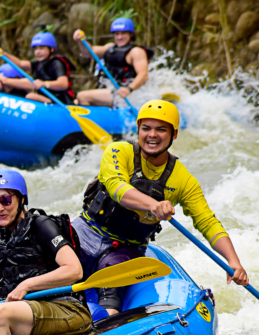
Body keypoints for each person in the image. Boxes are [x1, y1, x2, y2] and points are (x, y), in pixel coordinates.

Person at [72, 99, 249, 314]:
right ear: (138, 129)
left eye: (161, 130)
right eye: (146, 128)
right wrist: (154, 205)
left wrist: (233, 261)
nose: (152, 135)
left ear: (174, 134)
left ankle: (106, 331)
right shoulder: (119, 151)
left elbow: (207, 222)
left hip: (126, 247)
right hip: (86, 231)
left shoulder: (182, 179)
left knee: (110, 291)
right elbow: (117, 188)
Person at [0, 170, 92, 335]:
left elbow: (74, 271)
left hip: (66, 309)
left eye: (5, 200)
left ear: (21, 199)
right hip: (23, 315)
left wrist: (26, 285)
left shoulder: (41, 225)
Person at [73, 17, 153, 107]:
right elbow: (89, 51)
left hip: (128, 94)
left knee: (82, 96)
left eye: (123, 34)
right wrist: (81, 41)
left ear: (131, 34)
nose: (119, 37)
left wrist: (129, 89)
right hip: (112, 90)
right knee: (76, 101)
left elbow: (143, 75)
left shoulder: (136, 52)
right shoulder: (110, 48)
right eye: (117, 34)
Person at [0, 32, 75, 105]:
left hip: (59, 100)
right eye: (35, 49)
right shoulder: (38, 64)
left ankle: (51, 107)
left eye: (41, 48)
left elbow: (63, 84)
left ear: (52, 49)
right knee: (29, 92)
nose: (37, 52)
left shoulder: (56, 63)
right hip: (46, 96)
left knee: (30, 95)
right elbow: (20, 64)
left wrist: (44, 84)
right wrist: (3, 54)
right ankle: (3, 80)